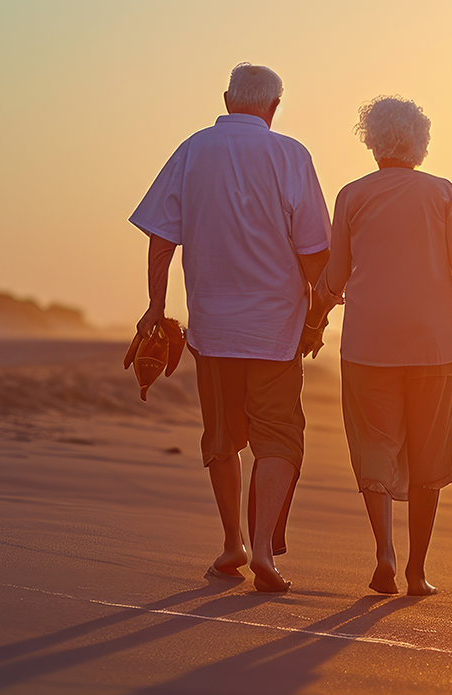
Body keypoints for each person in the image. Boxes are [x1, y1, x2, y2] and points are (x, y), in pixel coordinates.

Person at [130, 63, 331, 592]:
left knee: (222, 436)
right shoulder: (291, 154)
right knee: (279, 437)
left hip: (213, 327)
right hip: (277, 328)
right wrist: (318, 315)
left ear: (226, 99)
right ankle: (263, 549)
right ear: (275, 106)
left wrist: (156, 305)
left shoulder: (193, 148)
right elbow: (315, 251)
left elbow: (160, 235)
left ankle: (231, 545)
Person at [316, 95, 452, 596]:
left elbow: (335, 275)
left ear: (371, 141)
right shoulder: (443, 194)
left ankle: (385, 554)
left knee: (374, 449)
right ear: (420, 143)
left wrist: (315, 317)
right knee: (428, 453)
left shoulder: (352, 196)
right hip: (434, 346)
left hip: (367, 344)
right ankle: (417, 571)